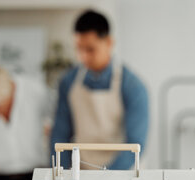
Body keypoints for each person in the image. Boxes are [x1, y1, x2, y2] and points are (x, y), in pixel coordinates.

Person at [50, 9, 148, 170]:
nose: (83, 57)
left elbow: (135, 143)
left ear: (109, 43)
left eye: (90, 49)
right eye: (79, 49)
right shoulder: (68, 82)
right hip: (81, 171)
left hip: (122, 174)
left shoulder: (133, 86)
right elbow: (60, 134)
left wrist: (105, 177)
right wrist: (61, 174)